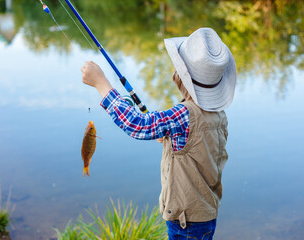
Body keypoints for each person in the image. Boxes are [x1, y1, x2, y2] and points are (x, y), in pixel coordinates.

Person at [81, 27, 236, 240]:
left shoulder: (184, 114)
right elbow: (197, 148)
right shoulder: (217, 114)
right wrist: (169, 137)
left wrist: (102, 85)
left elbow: (138, 123)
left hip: (186, 221)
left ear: (180, 76)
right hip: (205, 215)